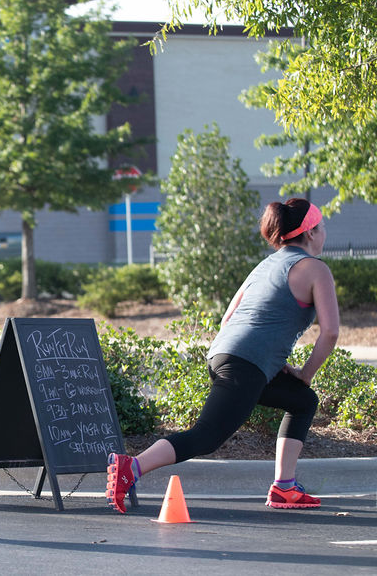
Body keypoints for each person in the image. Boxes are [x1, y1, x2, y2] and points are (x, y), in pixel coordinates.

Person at [107, 198, 339, 513]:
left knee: (302, 401)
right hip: (244, 364)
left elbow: (229, 317)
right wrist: (303, 373)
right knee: (207, 436)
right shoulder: (315, 269)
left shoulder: (266, 265)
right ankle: (131, 467)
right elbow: (330, 332)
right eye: (322, 226)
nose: (325, 232)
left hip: (225, 355)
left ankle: (284, 487)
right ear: (310, 233)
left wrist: (272, 361)